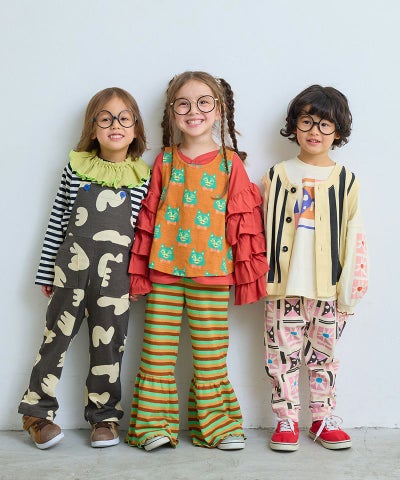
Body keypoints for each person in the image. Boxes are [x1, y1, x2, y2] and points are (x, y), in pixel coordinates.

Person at [126, 71, 268, 451]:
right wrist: (138, 275)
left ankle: (217, 427)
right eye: (184, 103)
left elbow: (245, 225)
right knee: (156, 354)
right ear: (172, 112)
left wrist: (247, 277)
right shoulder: (164, 161)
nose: (194, 111)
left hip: (213, 275)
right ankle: (152, 426)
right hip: (164, 274)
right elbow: (147, 220)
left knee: (211, 357)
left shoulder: (230, 163)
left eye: (204, 102)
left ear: (218, 110)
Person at [18, 87, 151, 449]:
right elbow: (56, 222)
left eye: (124, 118)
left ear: (136, 128)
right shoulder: (75, 169)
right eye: (105, 119)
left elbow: (145, 234)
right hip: (70, 272)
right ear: (93, 128)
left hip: (117, 279)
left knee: (109, 347)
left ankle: (104, 417)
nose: (115, 125)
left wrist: (139, 278)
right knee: (54, 341)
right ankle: (36, 414)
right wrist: (46, 271)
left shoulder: (143, 177)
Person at [261, 85, 368, 451]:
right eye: (307, 121)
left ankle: (322, 419)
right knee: (280, 357)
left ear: (337, 131)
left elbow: (355, 236)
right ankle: (286, 420)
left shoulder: (346, 181)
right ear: (295, 125)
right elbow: (260, 231)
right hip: (281, 287)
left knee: (324, 357)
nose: (315, 131)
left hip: (329, 290)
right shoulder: (276, 176)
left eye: (325, 124)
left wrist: (350, 291)